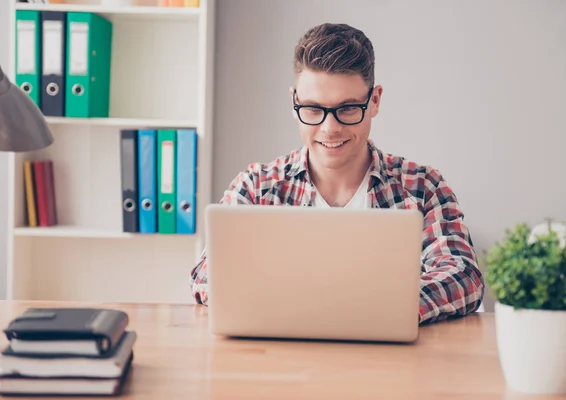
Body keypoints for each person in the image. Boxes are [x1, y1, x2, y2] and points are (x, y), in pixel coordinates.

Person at [189, 22, 484, 324]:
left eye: (347, 109)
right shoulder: (256, 187)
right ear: (294, 102)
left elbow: (463, 275)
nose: (330, 128)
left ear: (375, 101)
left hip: (391, 364)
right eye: (314, 110)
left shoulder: (423, 188)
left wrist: (379, 306)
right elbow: (205, 275)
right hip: (281, 361)